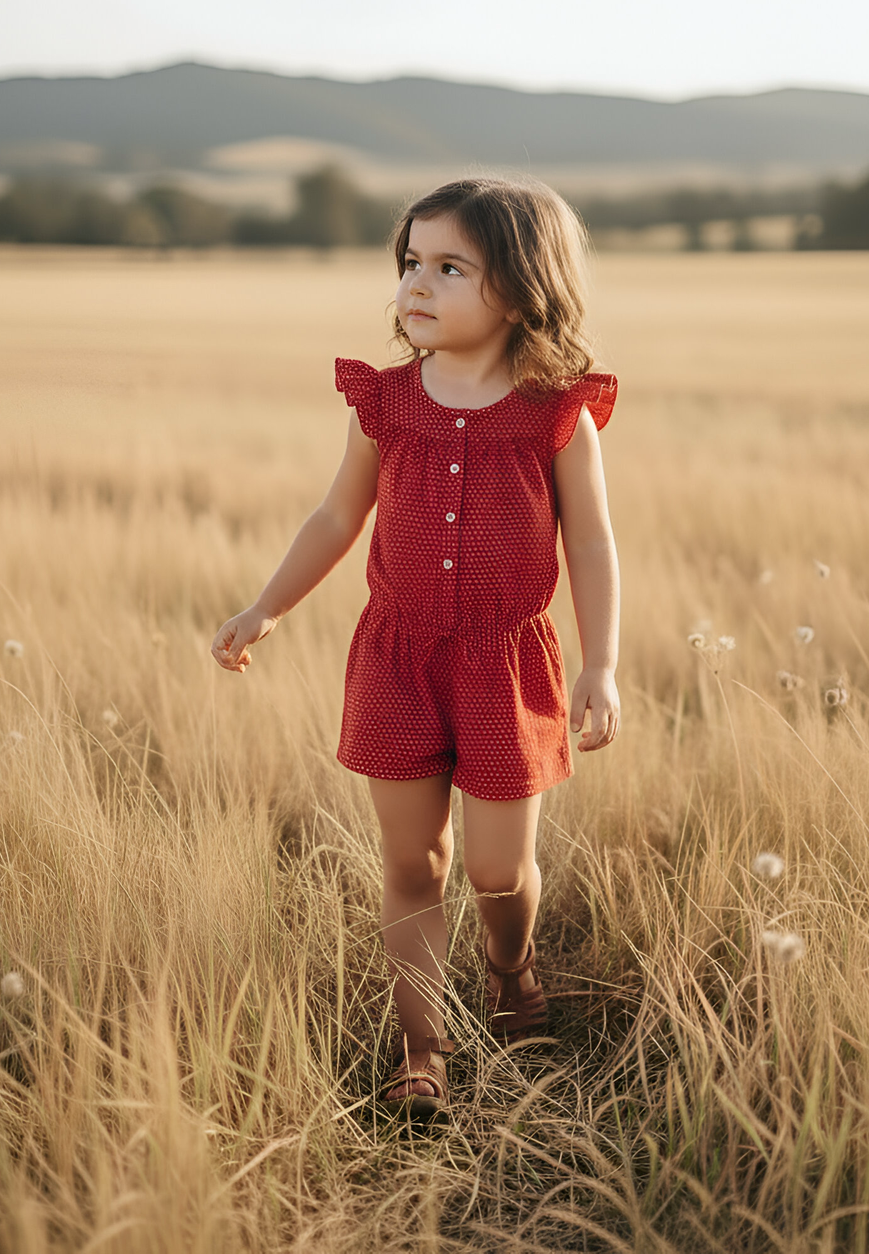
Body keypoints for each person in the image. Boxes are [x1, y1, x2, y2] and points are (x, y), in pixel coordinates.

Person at [210, 177, 620, 1124]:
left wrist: (599, 664)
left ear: (522, 289)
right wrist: (266, 607)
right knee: (412, 865)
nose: (416, 286)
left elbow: (592, 543)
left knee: (496, 872)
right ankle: (421, 1049)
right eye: (409, 264)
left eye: (448, 267)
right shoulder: (385, 402)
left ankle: (510, 965)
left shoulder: (558, 412)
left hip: (504, 665)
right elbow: (335, 515)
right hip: (396, 662)